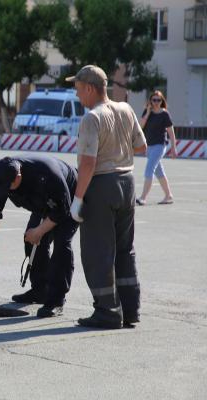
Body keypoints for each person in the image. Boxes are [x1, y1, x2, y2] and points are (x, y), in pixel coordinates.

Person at [66, 65, 147, 329]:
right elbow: (141, 145)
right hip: (127, 182)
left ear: (89, 88)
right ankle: (130, 308)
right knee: (125, 249)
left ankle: (108, 311)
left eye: (79, 90)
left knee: (98, 251)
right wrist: (118, 148)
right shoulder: (125, 109)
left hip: (102, 185)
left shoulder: (92, 118)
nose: (78, 96)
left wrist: (77, 200)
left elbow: (88, 163)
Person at [0, 156, 79, 318]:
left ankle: (56, 300)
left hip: (70, 196)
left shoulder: (47, 174)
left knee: (62, 244)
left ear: (18, 177)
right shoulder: (1, 178)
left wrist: (40, 231)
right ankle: (40, 289)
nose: (5, 191)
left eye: (8, 187)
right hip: (43, 203)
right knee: (30, 239)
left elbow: (62, 211)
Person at [136, 90, 177, 205]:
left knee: (149, 170)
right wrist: (148, 112)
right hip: (149, 146)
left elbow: (171, 132)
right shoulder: (147, 112)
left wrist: (174, 147)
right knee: (159, 172)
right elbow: (140, 126)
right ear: (150, 101)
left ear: (162, 101)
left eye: (158, 100)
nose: (156, 102)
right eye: (154, 100)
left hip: (160, 145)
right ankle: (168, 196)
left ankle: (143, 197)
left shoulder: (165, 114)